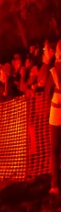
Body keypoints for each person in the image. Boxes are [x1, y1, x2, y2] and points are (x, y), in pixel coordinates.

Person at [49, 41, 61, 196]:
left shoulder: (55, 68)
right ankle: (55, 183)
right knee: (54, 149)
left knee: (55, 149)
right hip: (56, 111)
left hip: (56, 111)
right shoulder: (55, 68)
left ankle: (55, 184)